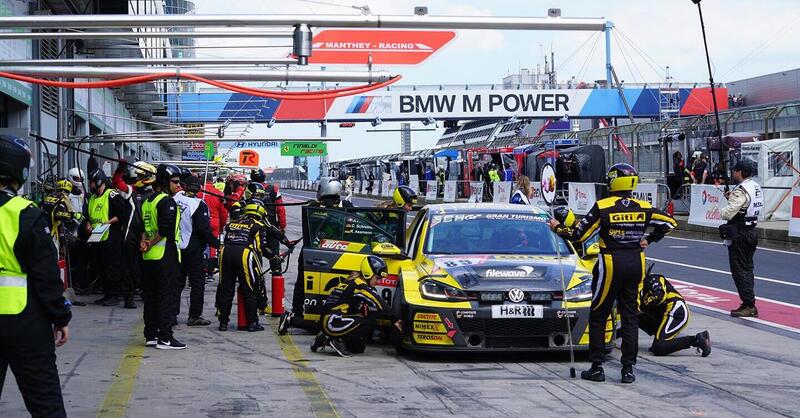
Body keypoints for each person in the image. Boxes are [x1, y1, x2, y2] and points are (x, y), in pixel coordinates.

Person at [549, 163, 677, 384]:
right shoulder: (643, 206)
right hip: (636, 262)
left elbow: (579, 235)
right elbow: (669, 223)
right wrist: (649, 239)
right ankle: (628, 370)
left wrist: (558, 229)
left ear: (613, 182)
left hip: (610, 262)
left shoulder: (603, 206)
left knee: (599, 314)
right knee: (630, 316)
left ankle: (597, 367)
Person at [0, 134, 71, 417]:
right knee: (45, 401)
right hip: (24, 322)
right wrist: (60, 316)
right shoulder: (26, 214)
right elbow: (47, 276)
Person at [279, 179, 352, 336]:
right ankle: (298, 314)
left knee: (304, 284)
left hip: (331, 250)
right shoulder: (314, 207)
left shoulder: (344, 207)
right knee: (301, 283)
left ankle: (299, 314)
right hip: (320, 250)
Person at [216, 199, 291, 332]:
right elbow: (261, 248)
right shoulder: (258, 225)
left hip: (225, 253)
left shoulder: (233, 223)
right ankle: (252, 323)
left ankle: (223, 323)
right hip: (243, 255)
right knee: (249, 289)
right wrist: (274, 257)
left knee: (226, 289)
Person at [139, 164, 186, 350]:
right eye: (175, 182)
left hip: (148, 258)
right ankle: (166, 337)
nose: (179, 185)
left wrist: (144, 242)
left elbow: (143, 226)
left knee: (150, 297)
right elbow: (165, 229)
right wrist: (150, 242)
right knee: (166, 297)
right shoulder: (167, 202)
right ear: (166, 182)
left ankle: (151, 334)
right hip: (165, 256)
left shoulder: (147, 200)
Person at [310, 256, 391, 357]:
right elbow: (380, 304)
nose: (378, 282)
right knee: (371, 321)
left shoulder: (351, 281)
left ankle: (326, 337)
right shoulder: (360, 286)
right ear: (368, 273)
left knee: (358, 348)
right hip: (333, 322)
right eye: (377, 278)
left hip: (328, 320)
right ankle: (336, 339)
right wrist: (396, 319)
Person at [174, 174, 219, 326]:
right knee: (197, 282)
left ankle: (171, 314)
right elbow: (204, 230)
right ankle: (194, 316)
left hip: (176, 246)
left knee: (176, 282)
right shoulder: (199, 204)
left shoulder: (175, 199)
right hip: (193, 247)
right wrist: (217, 244)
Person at [720, 161, 763, 318]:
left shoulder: (741, 190)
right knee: (747, 268)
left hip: (741, 234)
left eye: (735, 171)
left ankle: (749, 304)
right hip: (751, 231)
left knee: (739, 270)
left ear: (740, 172)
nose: (733, 173)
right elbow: (745, 205)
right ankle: (748, 302)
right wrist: (732, 198)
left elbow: (727, 213)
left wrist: (726, 206)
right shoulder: (755, 186)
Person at [86, 168, 132, 307]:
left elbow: (124, 213)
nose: (90, 185)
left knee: (112, 268)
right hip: (97, 238)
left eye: (92, 182)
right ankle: (106, 294)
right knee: (101, 268)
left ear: (99, 182)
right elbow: (88, 215)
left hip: (111, 238)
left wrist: (109, 222)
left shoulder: (112, 195)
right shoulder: (92, 198)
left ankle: (114, 295)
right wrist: (88, 224)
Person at [639, 271, 711, 357]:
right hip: (665, 314)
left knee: (659, 348)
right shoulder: (634, 288)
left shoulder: (653, 279)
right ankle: (665, 341)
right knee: (633, 313)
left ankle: (697, 339)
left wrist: (642, 304)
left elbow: (659, 297)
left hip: (676, 310)